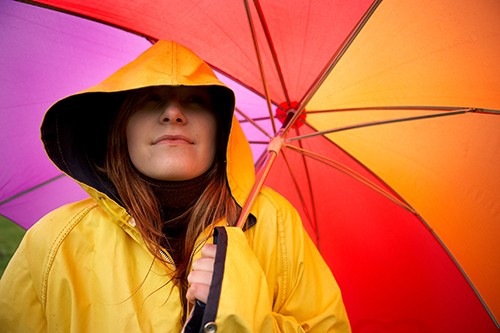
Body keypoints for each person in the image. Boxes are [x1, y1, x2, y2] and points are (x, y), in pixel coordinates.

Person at [0, 40, 350, 332]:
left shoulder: (274, 222)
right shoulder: (54, 241)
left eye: (195, 100)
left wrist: (245, 318)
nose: (173, 113)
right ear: (121, 129)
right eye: (150, 99)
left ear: (221, 131)